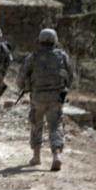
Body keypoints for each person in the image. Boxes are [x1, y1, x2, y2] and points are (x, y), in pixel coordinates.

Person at [17, 28, 74, 171]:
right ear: (55, 40)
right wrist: (64, 88)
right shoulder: (62, 56)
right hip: (56, 97)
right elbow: (71, 77)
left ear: (40, 40)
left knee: (36, 124)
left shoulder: (33, 57)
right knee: (55, 126)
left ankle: (36, 157)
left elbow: (21, 78)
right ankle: (56, 157)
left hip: (37, 97)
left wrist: (24, 87)